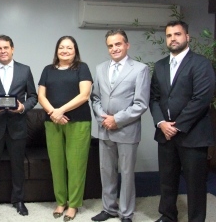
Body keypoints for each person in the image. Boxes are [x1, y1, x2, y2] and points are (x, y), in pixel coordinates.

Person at [150, 20, 215, 222]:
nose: (173, 38)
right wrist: (161, 123)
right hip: (165, 133)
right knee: (167, 180)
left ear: (187, 37)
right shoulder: (160, 65)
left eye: (177, 34)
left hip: (193, 134)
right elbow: (154, 98)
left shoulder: (201, 63)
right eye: (169, 35)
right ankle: (168, 215)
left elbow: (202, 99)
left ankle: (196, 219)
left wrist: (177, 127)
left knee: (195, 184)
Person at [90, 30, 150, 222]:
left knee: (126, 174)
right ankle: (109, 209)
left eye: (118, 44)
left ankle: (126, 213)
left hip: (127, 130)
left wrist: (116, 119)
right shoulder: (100, 68)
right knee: (106, 172)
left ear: (127, 45)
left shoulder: (140, 69)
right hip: (104, 129)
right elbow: (95, 97)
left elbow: (141, 104)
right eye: (110, 45)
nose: (114, 48)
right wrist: (102, 118)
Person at [0, 35, 38, 217]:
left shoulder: (24, 70)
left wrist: (22, 107)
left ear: (12, 49)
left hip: (17, 126)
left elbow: (33, 96)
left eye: (5, 47)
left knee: (18, 166)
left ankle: (18, 200)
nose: (2, 51)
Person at [38, 36, 92, 222]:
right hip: (52, 122)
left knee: (76, 165)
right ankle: (61, 202)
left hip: (78, 122)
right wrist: (54, 113)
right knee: (57, 164)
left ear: (75, 50)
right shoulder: (47, 70)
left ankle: (74, 204)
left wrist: (61, 110)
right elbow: (41, 96)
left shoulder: (82, 68)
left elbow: (84, 95)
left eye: (69, 47)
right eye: (61, 47)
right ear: (57, 50)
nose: (65, 50)